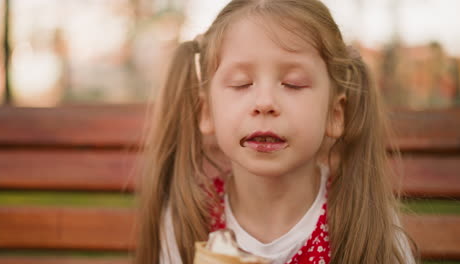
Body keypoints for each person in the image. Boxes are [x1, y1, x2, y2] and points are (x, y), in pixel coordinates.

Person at [135, 0, 418, 263]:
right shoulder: (187, 224)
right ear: (207, 112)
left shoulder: (367, 229)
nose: (265, 102)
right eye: (242, 83)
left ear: (335, 114)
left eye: (293, 84)